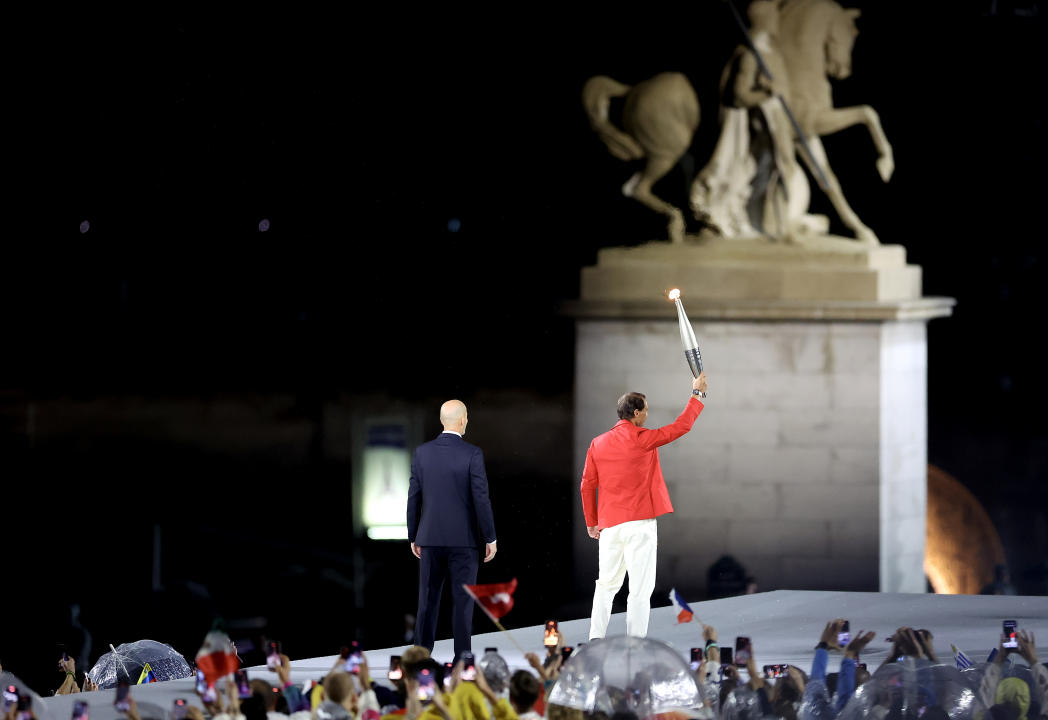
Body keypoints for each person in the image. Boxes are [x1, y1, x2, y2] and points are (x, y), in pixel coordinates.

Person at [581, 373, 707, 639]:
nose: (648, 416)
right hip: (640, 525)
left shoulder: (597, 443)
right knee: (639, 590)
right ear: (636, 413)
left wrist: (591, 522)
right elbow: (681, 426)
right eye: (646, 411)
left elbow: (586, 486)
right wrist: (698, 394)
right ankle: (635, 643)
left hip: (610, 526)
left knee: (605, 586)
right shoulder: (642, 438)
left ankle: (595, 639)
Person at [408, 399, 498, 660]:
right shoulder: (472, 453)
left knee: (427, 601)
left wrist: (414, 535)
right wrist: (489, 536)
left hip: (430, 538)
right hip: (465, 541)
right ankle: (462, 660)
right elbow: (481, 499)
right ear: (462, 420)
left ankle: (420, 658)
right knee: (463, 603)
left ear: (441, 420)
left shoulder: (422, 453)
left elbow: (414, 496)